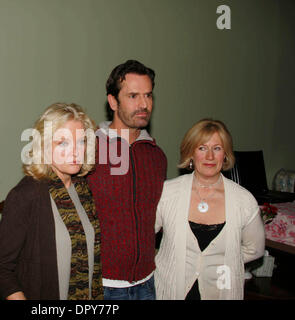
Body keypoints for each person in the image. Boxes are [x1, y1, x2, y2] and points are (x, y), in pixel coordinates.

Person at [0, 103, 103, 300]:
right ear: (44, 145)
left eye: (81, 142)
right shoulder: (26, 195)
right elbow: (1, 268)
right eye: (63, 143)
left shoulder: (83, 189)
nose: (75, 151)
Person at [155, 118, 265, 300]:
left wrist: (224, 261)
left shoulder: (243, 200)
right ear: (191, 153)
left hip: (222, 291)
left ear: (226, 155)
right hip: (170, 290)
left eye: (217, 148)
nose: (210, 157)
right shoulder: (167, 193)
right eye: (202, 148)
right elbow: (143, 237)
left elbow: (255, 249)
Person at [87, 60, 167, 300]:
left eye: (148, 95)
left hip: (147, 282)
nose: (144, 104)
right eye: (133, 96)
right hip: (101, 285)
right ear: (113, 101)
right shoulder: (89, 150)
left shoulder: (156, 156)